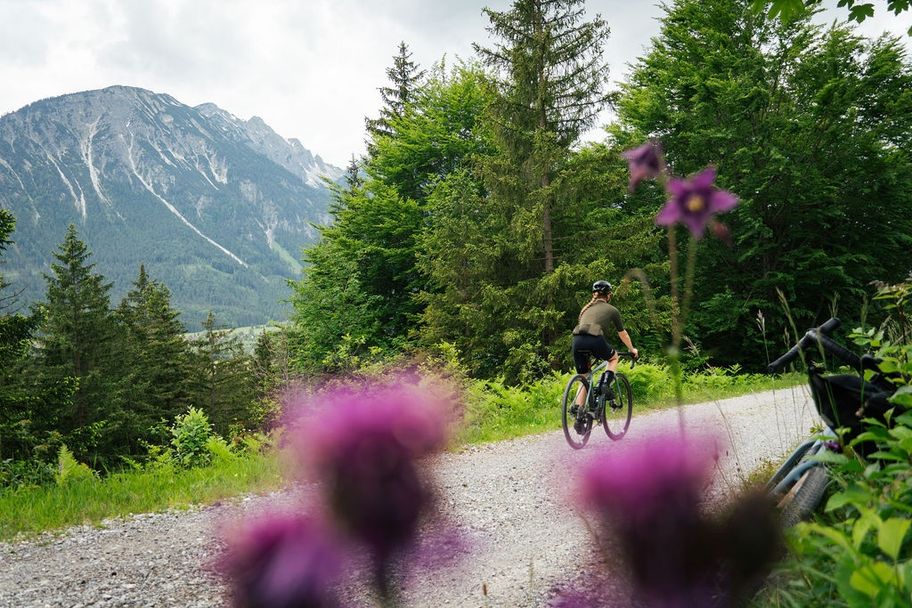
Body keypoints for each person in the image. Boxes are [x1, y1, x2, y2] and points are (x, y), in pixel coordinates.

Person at [572, 280, 638, 411]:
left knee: (584, 377)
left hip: (577, 341)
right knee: (613, 358)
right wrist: (632, 349)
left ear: (594, 294)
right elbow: (623, 334)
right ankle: (604, 385)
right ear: (609, 295)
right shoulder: (612, 310)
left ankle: (578, 412)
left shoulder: (586, 309)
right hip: (595, 339)